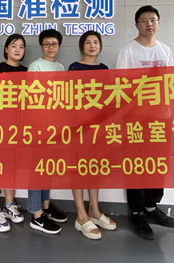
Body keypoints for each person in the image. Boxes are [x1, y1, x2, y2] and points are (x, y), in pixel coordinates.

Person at [116, 5, 174, 240]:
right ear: (136, 25)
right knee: (136, 166)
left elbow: (172, 81)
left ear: (158, 24)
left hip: (162, 117)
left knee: (158, 164)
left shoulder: (165, 50)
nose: (149, 24)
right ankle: (137, 212)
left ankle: (152, 207)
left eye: (153, 20)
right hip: (136, 119)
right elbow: (121, 86)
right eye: (144, 20)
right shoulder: (128, 51)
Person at [68, 31, 116, 240]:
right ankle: (81, 215)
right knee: (79, 169)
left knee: (94, 167)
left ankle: (94, 210)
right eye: (87, 42)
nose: (92, 45)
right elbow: (71, 98)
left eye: (96, 42)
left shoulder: (104, 69)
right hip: (79, 128)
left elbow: (108, 99)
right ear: (82, 46)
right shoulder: (74, 68)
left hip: (99, 128)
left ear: (100, 46)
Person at [26, 29, 68, 235]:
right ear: (41, 46)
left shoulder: (60, 67)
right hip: (39, 127)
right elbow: (32, 98)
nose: (51, 47)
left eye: (54, 44)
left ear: (59, 46)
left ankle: (45, 206)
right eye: (46, 44)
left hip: (55, 127)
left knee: (46, 169)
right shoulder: (35, 66)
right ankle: (36, 216)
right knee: (36, 171)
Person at [0, 34, 27, 233]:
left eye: (21, 46)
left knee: (11, 168)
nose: (17, 49)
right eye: (14, 46)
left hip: (18, 129)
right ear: (6, 49)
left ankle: (9, 204)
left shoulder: (27, 72)